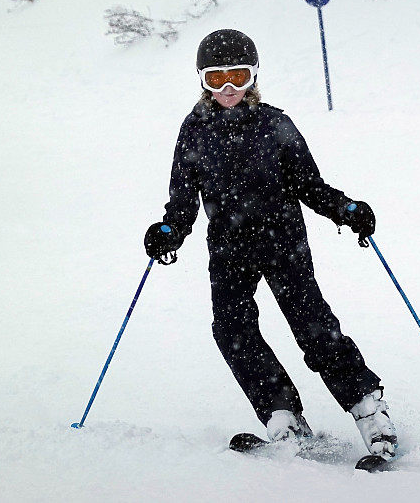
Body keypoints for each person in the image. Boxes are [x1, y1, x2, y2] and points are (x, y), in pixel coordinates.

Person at [144, 29, 397, 461]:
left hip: (283, 244)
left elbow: (310, 186)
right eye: (216, 78)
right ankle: (284, 418)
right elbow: (183, 199)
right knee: (232, 331)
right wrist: (169, 230)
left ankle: (371, 413)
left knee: (313, 328)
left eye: (238, 77)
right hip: (228, 249)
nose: (228, 88)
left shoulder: (275, 124)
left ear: (254, 77)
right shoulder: (194, 132)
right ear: (201, 80)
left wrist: (346, 209)